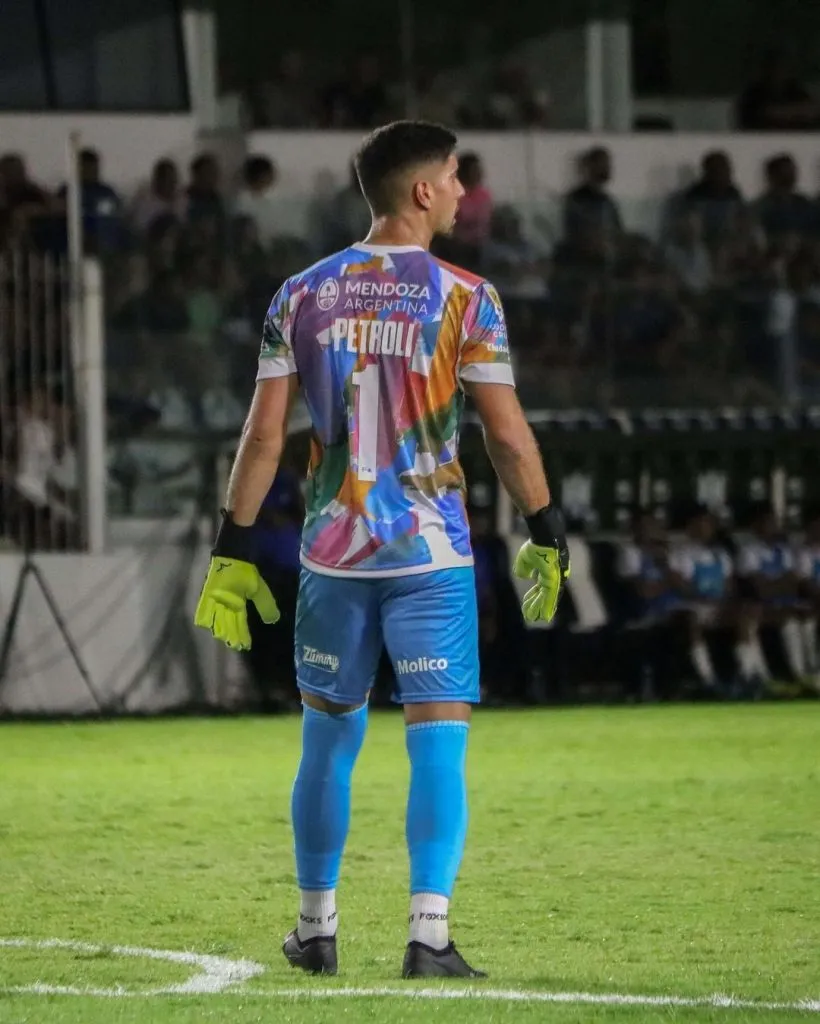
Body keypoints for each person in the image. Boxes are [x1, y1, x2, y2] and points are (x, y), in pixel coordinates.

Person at [193, 120, 570, 979]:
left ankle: (315, 927)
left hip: (333, 554)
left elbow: (262, 436)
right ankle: (428, 937)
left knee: (327, 742)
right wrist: (547, 525)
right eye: (456, 175)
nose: (466, 191)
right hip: (429, 556)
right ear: (423, 191)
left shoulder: (302, 292)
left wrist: (233, 545)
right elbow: (508, 438)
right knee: (437, 740)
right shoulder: (466, 296)